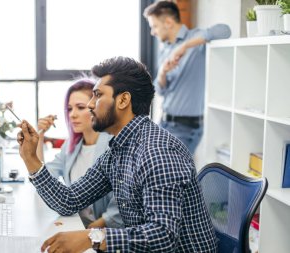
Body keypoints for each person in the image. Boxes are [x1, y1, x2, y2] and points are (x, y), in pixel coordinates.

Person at [17, 56, 217, 252]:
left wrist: (92, 237)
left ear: (123, 100)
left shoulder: (157, 152)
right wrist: (31, 159)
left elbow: (164, 236)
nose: (90, 104)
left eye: (97, 95)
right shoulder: (119, 149)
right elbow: (69, 200)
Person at [144, 1, 231, 154]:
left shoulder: (196, 40)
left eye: (154, 26)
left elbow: (225, 30)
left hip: (186, 128)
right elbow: (160, 90)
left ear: (168, 22)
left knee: (170, 174)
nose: (152, 32)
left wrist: (184, 46)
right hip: (164, 122)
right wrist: (163, 72)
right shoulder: (165, 50)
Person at [36, 78, 123, 229]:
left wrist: (89, 233)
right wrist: (40, 135)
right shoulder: (71, 145)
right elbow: (44, 178)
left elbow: (120, 205)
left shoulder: (113, 146)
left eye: (80, 107)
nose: (72, 115)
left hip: (103, 233)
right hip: (75, 224)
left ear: (96, 106)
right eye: (69, 109)